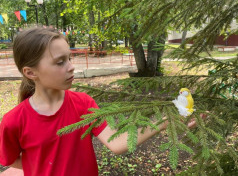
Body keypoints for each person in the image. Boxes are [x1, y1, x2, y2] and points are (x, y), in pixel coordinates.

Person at [0, 27, 206, 176]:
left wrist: (168, 120)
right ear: (30, 72)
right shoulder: (13, 121)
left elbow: (116, 143)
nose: (71, 67)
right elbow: (11, 160)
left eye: (69, 58)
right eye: (60, 62)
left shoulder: (83, 103)